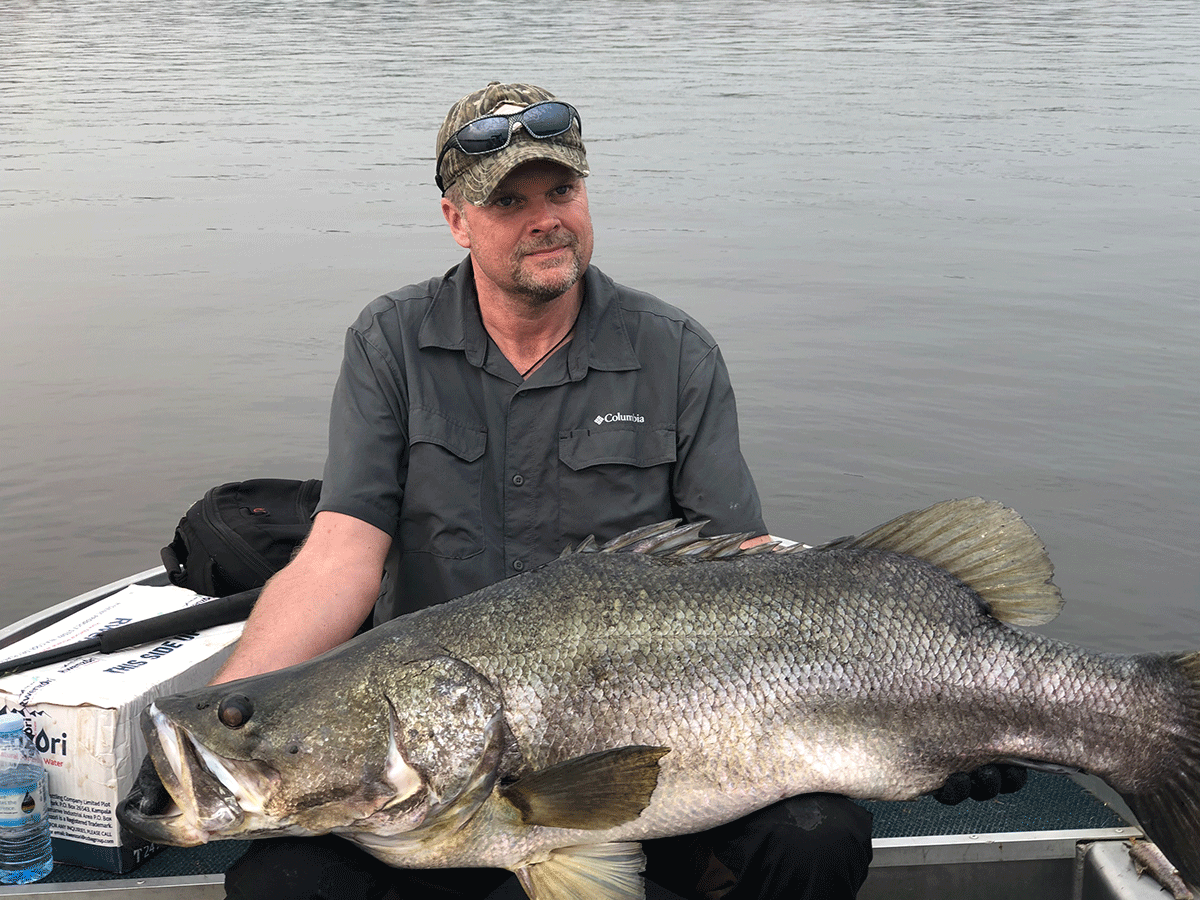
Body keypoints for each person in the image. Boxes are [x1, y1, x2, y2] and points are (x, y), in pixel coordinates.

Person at [214, 81, 986, 900]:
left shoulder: (675, 350)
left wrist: (944, 705)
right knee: (281, 883)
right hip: (444, 764)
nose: (546, 219)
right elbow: (339, 557)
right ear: (456, 220)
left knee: (817, 838)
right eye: (508, 201)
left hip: (662, 757)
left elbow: (750, 569)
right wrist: (222, 726)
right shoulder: (390, 342)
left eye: (562, 191)